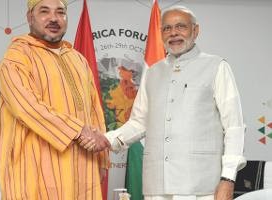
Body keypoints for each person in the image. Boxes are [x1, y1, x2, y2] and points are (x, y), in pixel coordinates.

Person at [103, 5, 246, 200]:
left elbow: (234, 127)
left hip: (201, 186)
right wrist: (106, 140)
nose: (174, 33)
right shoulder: (152, 72)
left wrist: (228, 178)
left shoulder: (217, 66)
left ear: (195, 30)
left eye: (181, 26)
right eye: (167, 28)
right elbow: (139, 122)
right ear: (161, 33)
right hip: (157, 185)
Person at [0, 0, 109, 199]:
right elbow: (27, 107)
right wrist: (78, 130)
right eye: (44, 12)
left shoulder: (77, 59)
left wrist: (102, 157)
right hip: (36, 168)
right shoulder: (16, 57)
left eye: (60, 12)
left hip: (83, 167)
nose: (54, 18)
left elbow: (94, 111)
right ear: (30, 17)